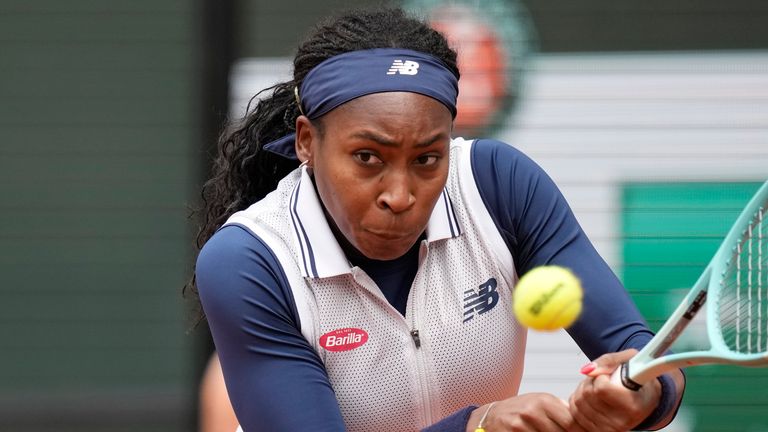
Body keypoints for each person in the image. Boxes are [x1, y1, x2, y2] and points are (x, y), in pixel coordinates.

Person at [191, 7, 685, 432]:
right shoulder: (249, 260)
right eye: (367, 156)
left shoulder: (500, 186)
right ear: (306, 142)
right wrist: (476, 423)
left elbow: (645, 359)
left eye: (428, 158)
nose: (400, 195)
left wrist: (642, 392)